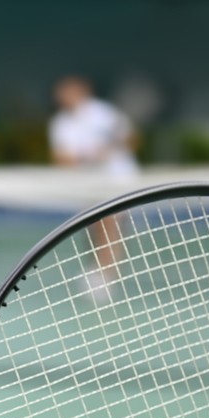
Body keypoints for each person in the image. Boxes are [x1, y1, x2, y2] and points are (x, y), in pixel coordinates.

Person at [49, 76, 140, 301]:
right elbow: (63, 160)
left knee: (109, 224)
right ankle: (100, 270)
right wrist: (89, 155)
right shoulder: (60, 124)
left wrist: (112, 148)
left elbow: (131, 139)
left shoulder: (105, 113)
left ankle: (106, 278)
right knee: (95, 228)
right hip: (88, 183)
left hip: (118, 180)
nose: (64, 97)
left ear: (82, 91)